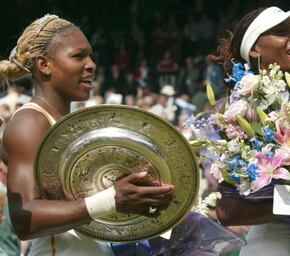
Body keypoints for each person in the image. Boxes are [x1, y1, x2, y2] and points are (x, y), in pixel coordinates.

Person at [0, 14, 174, 255]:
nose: (91, 64)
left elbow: (86, 212)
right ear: (44, 64)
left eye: (91, 55)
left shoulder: (68, 128)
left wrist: (141, 198)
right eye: (78, 56)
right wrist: (113, 198)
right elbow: (24, 219)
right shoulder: (30, 122)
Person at [209, 5, 290, 255]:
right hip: (274, 246)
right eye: (282, 32)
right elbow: (228, 210)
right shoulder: (244, 109)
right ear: (255, 49)